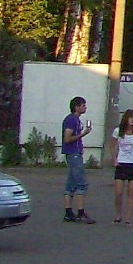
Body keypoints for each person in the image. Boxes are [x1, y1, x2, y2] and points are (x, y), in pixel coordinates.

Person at [60, 96, 94, 224]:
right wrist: (83, 134)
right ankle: (80, 212)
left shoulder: (76, 120)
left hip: (75, 152)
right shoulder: (71, 120)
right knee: (82, 183)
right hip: (73, 154)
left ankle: (68, 212)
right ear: (76, 107)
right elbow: (67, 139)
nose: (85, 108)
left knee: (71, 183)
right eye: (83, 105)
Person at [112, 109, 133, 224]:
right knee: (118, 192)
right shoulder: (118, 131)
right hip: (121, 163)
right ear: (126, 119)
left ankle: (128, 218)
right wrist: (114, 159)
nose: (132, 120)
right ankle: (118, 214)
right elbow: (112, 145)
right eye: (130, 117)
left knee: (131, 192)